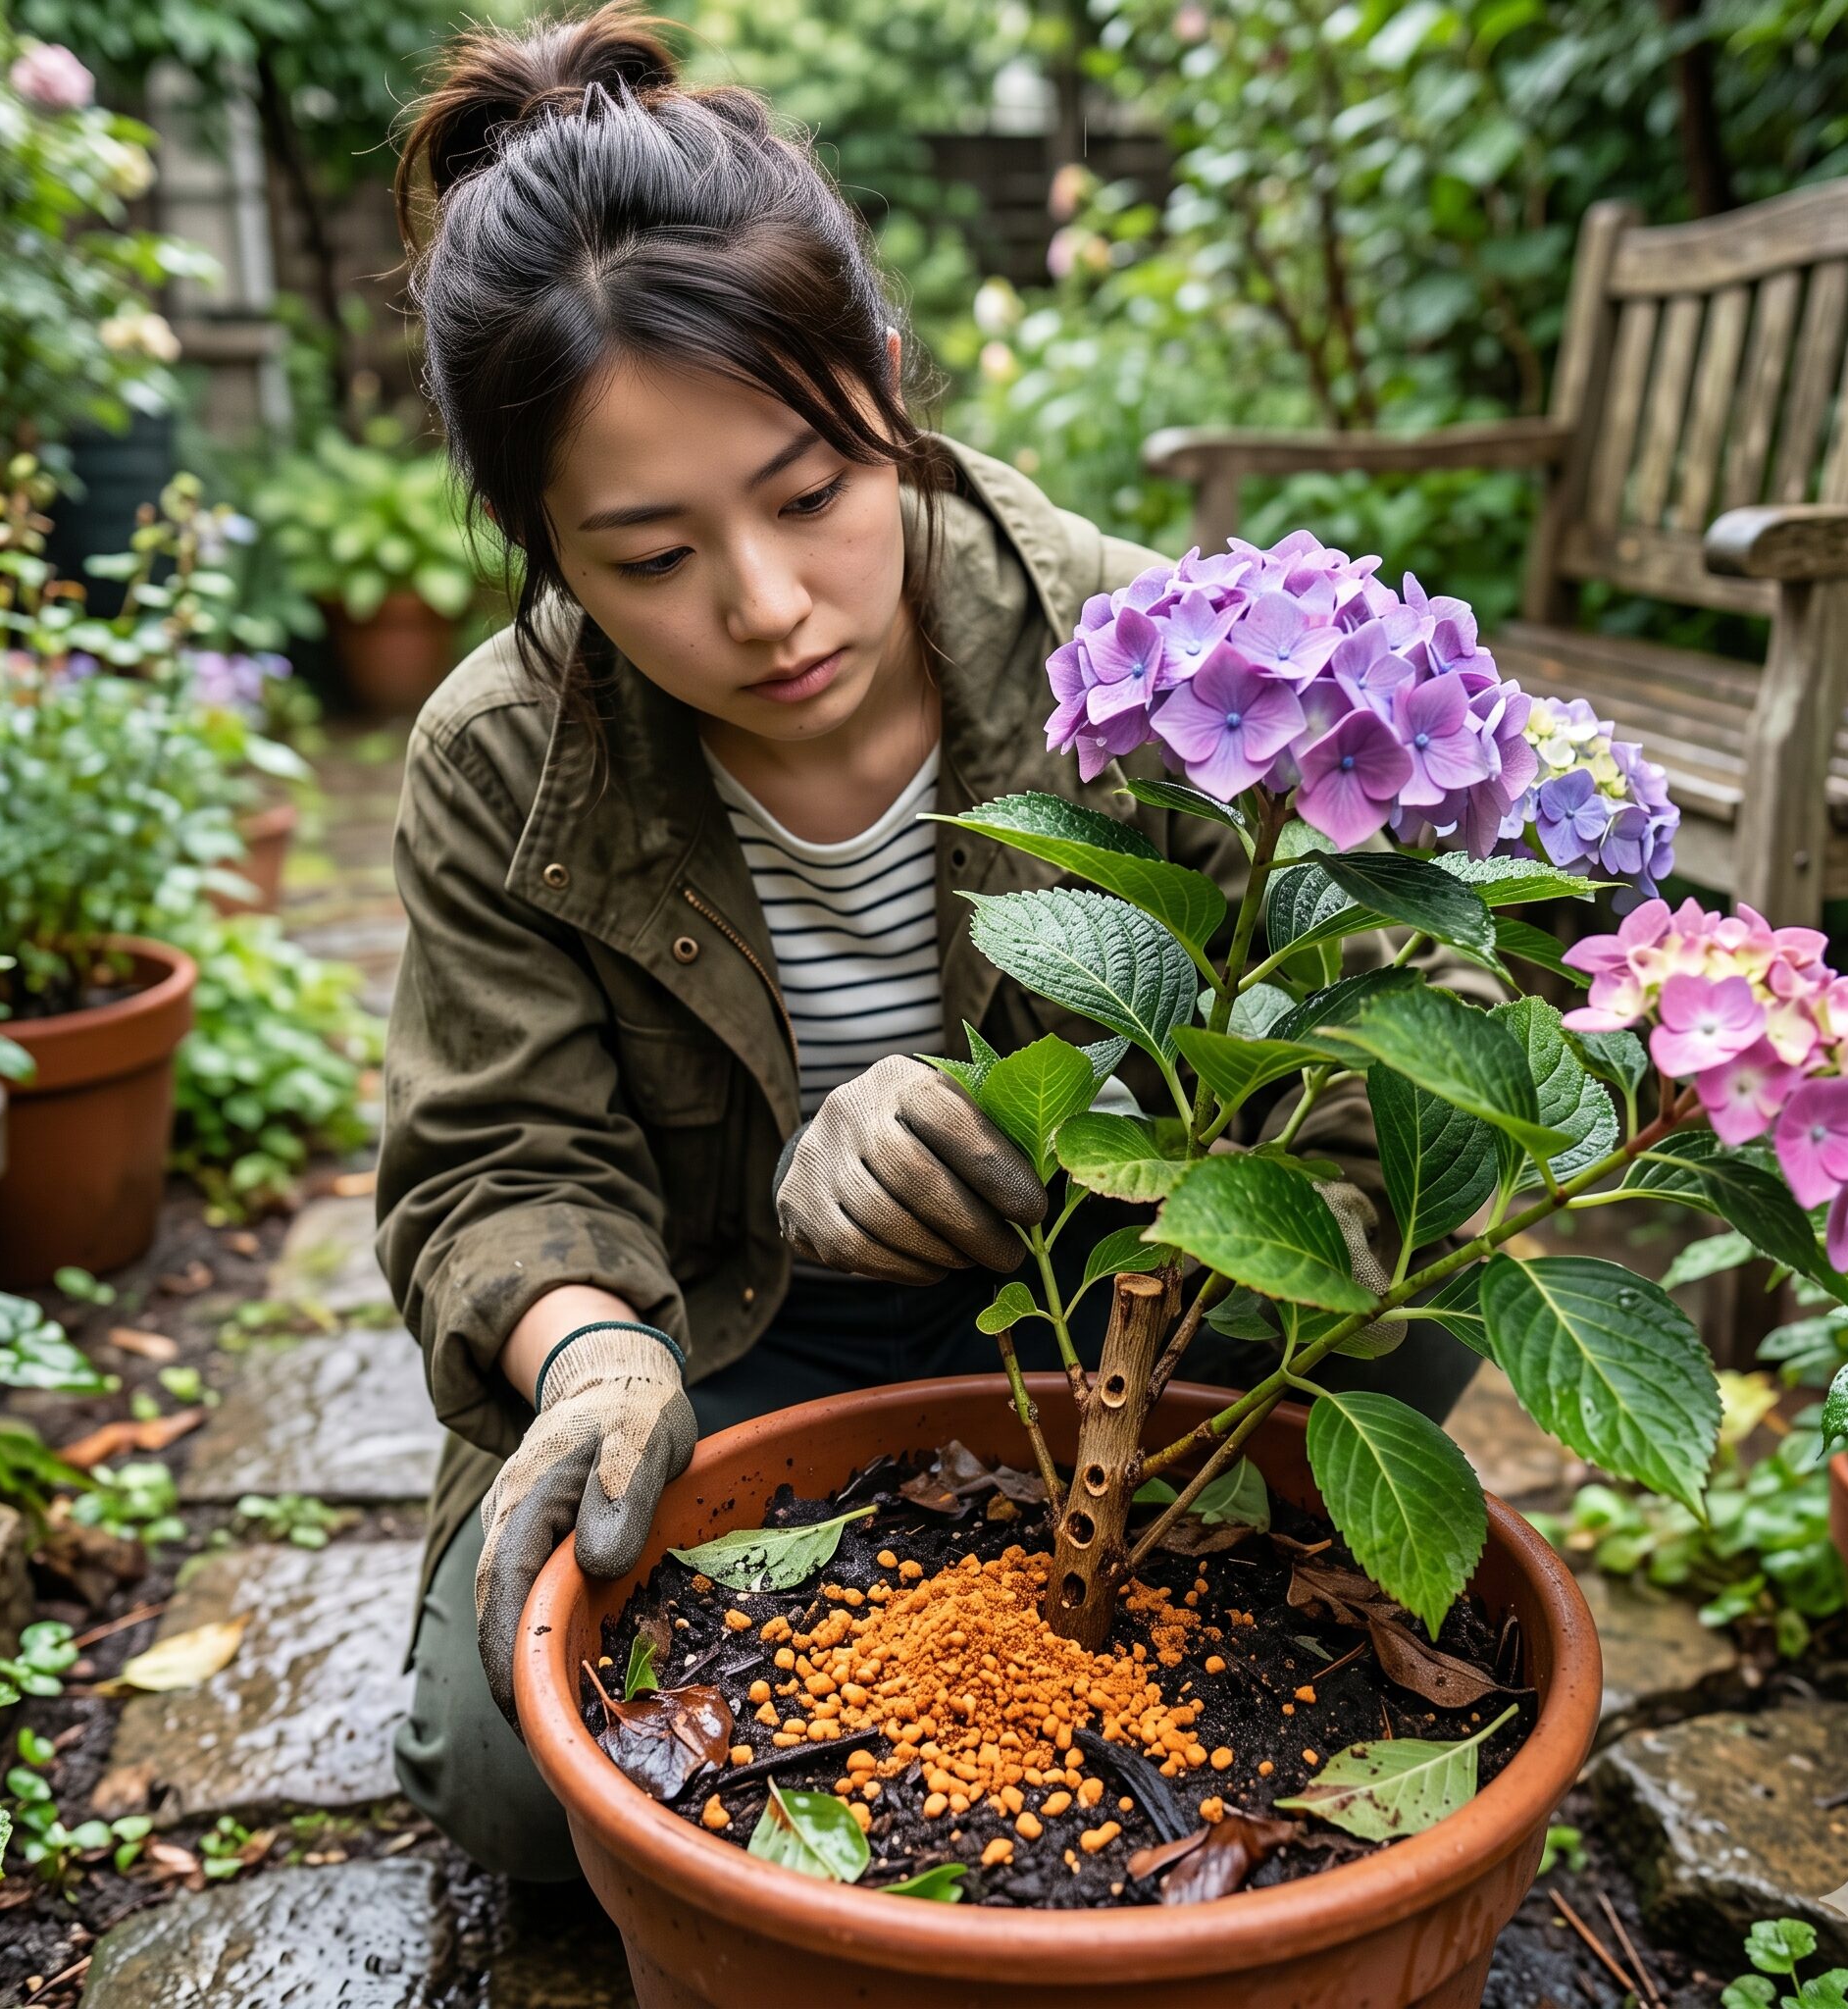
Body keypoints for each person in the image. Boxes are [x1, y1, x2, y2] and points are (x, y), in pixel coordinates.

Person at [375, 3, 1483, 1884]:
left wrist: (1175, 1221)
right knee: (516, 1786)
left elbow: (1409, 1046)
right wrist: (590, 1361)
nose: (769, 602)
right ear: (544, 547)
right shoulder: (499, 756)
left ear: (888, 385)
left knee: (1345, 1491)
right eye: (648, 556)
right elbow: (498, 1161)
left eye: (811, 492)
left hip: (1147, 1326)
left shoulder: (1166, 668)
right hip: (728, 1340)